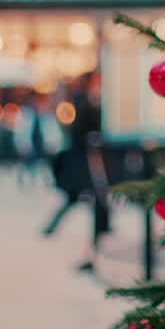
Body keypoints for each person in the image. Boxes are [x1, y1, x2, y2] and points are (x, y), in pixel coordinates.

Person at [41, 72, 110, 274]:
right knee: (92, 198)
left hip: (80, 161)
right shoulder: (82, 103)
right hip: (82, 162)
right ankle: (98, 235)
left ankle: (96, 233)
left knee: (80, 198)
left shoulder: (77, 103)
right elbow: (81, 133)